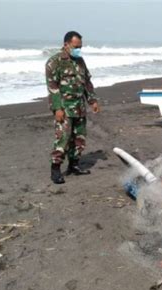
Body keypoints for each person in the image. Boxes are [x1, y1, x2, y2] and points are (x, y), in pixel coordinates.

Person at [45, 31, 100, 184]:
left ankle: (74, 166)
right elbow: (53, 87)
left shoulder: (80, 61)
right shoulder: (54, 62)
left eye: (80, 47)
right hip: (64, 108)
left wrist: (92, 100)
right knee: (63, 138)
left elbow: (87, 82)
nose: (78, 50)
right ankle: (55, 169)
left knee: (79, 139)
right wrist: (57, 109)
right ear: (66, 45)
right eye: (76, 47)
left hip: (80, 107)